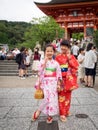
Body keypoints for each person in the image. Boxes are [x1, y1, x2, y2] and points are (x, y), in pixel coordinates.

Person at [32, 44, 62, 124]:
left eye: (51, 51)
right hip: (45, 82)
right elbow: (39, 72)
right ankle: (39, 110)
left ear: (54, 52)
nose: (49, 53)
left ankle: (50, 115)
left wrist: (58, 84)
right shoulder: (42, 61)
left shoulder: (56, 63)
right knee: (46, 98)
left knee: (52, 99)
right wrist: (44, 63)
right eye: (47, 51)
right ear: (45, 52)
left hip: (53, 83)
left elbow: (59, 74)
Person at [55, 40, 79, 122]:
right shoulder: (58, 57)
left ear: (68, 47)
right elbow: (56, 69)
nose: (63, 48)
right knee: (61, 97)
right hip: (61, 79)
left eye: (65, 46)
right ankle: (62, 113)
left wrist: (69, 59)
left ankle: (67, 110)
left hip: (69, 80)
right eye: (62, 46)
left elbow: (76, 66)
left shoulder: (71, 56)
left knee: (68, 97)